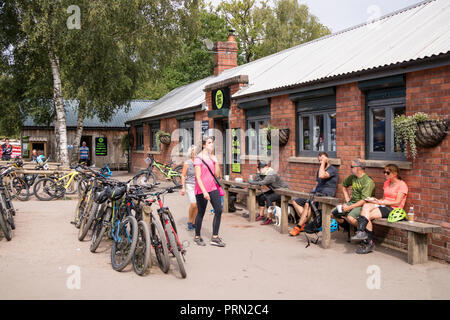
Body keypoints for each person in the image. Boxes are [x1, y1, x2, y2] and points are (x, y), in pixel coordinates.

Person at [351, 164, 408, 254]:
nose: (385, 174)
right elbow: (384, 198)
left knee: (367, 216)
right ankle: (362, 234)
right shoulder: (386, 183)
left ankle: (367, 241)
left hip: (394, 209)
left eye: (387, 172)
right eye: (384, 172)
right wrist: (376, 200)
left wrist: (381, 202)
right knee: (366, 206)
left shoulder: (402, 185)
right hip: (383, 205)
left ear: (395, 174)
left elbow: (397, 202)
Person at [289, 152, 338, 236]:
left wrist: (323, 163)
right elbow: (317, 183)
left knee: (308, 203)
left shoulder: (332, 169)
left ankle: (298, 226)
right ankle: (305, 220)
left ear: (327, 159)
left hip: (325, 194)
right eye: (319, 160)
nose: (320, 162)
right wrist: (312, 192)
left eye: (322, 159)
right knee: (294, 201)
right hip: (316, 193)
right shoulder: (320, 169)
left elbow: (322, 176)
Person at [193, 136, 225, 247]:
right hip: (202, 190)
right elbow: (198, 177)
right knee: (201, 212)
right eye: (209, 142)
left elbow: (216, 174)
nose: (212, 144)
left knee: (219, 210)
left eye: (212, 142)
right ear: (204, 145)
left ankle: (214, 237)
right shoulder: (198, 158)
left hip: (213, 188)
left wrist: (216, 162)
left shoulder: (213, 157)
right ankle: (197, 236)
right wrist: (204, 192)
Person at [332, 159, 375, 228]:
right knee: (332, 213)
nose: (350, 169)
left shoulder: (368, 181)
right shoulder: (353, 177)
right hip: (351, 203)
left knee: (350, 218)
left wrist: (349, 207)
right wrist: (347, 199)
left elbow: (364, 201)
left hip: (363, 205)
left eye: (352, 167)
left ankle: (364, 232)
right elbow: (344, 186)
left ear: (357, 168)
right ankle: (345, 226)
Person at [249, 161, 289, 225]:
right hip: (275, 190)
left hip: (283, 191)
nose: (261, 169)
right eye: (260, 168)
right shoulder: (264, 173)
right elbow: (256, 180)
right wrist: (258, 173)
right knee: (261, 197)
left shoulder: (271, 174)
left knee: (269, 198)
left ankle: (269, 218)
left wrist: (251, 181)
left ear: (267, 167)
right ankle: (261, 215)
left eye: (262, 167)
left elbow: (262, 183)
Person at [181, 145, 198, 231]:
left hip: (198, 186)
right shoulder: (187, 163)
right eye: (193, 153)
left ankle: (194, 222)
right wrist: (183, 187)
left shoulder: (199, 163)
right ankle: (189, 221)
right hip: (190, 185)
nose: (195, 154)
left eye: (196, 152)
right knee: (193, 204)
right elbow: (183, 176)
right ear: (190, 153)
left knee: (197, 205)